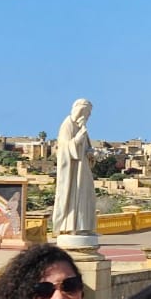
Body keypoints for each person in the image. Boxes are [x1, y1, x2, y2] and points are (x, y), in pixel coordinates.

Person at [51, 98, 96, 238]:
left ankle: (83, 226)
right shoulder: (68, 125)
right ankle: (70, 227)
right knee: (74, 196)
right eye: (87, 113)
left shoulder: (82, 128)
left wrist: (91, 153)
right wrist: (78, 138)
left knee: (86, 196)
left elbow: (85, 148)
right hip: (72, 171)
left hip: (82, 169)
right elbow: (64, 148)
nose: (88, 116)